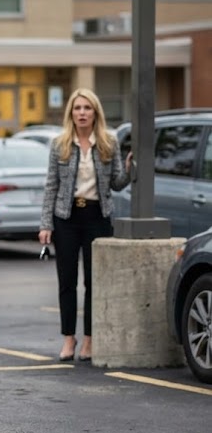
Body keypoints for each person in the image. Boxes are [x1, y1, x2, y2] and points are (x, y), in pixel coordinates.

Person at [38, 88, 132, 363]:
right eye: (77, 108)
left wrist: (128, 171)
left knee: (94, 281)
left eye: (87, 108)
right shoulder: (60, 144)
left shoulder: (108, 142)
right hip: (66, 218)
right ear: (71, 113)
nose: (81, 113)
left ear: (95, 113)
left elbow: (116, 183)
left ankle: (89, 339)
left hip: (97, 218)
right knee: (67, 281)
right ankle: (69, 338)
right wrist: (46, 224)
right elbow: (51, 186)